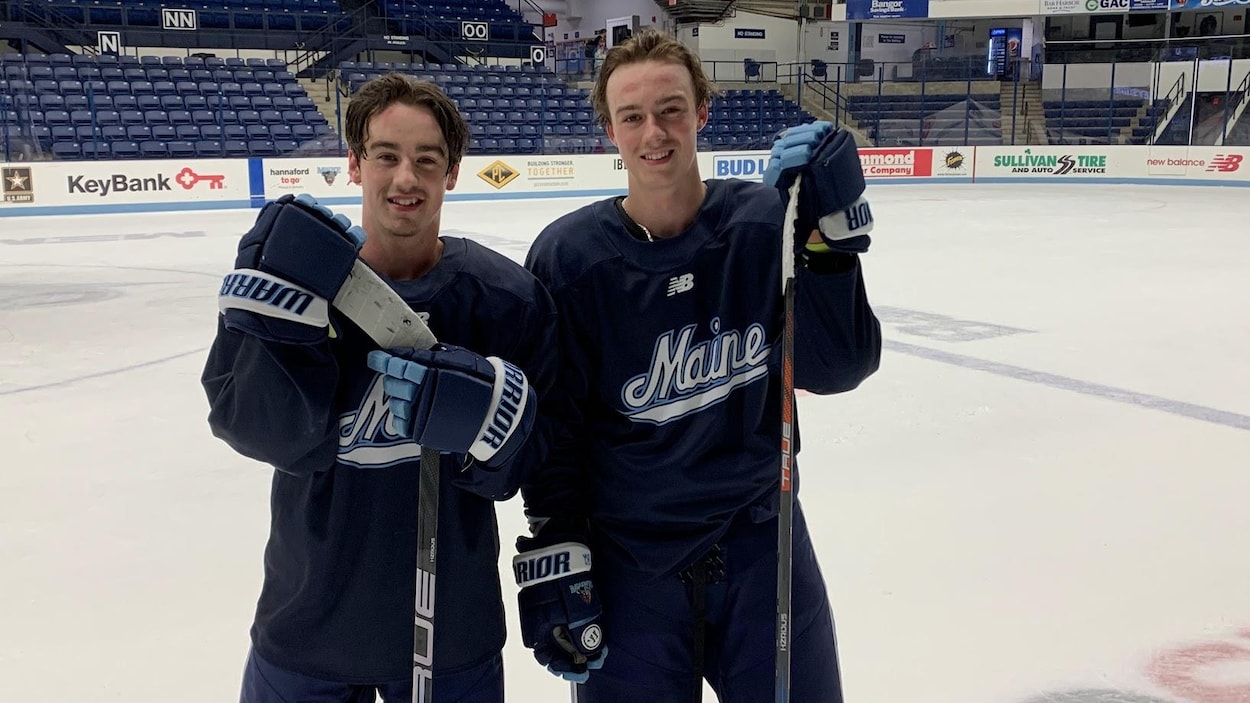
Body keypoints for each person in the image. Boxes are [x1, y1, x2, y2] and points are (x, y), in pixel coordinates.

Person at [511, 29, 882, 702]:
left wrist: (830, 245)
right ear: (610, 131)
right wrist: (556, 546)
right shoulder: (570, 261)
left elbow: (838, 365)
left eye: (671, 109)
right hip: (632, 571)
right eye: (633, 116)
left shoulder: (763, 222)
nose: (654, 132)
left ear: (702, 112)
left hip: (763, 550)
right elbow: (556, 435)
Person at [202, 72, 558, 702]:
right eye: (386, 156)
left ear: (451, 174)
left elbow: (544, 464)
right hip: (305, 630)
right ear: (354, 164)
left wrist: (497, 430)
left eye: (427, 161)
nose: (405, 179)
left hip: (452, 639)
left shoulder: (506, 300)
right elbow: (247, 425)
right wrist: (266, 337)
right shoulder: (298, 284)